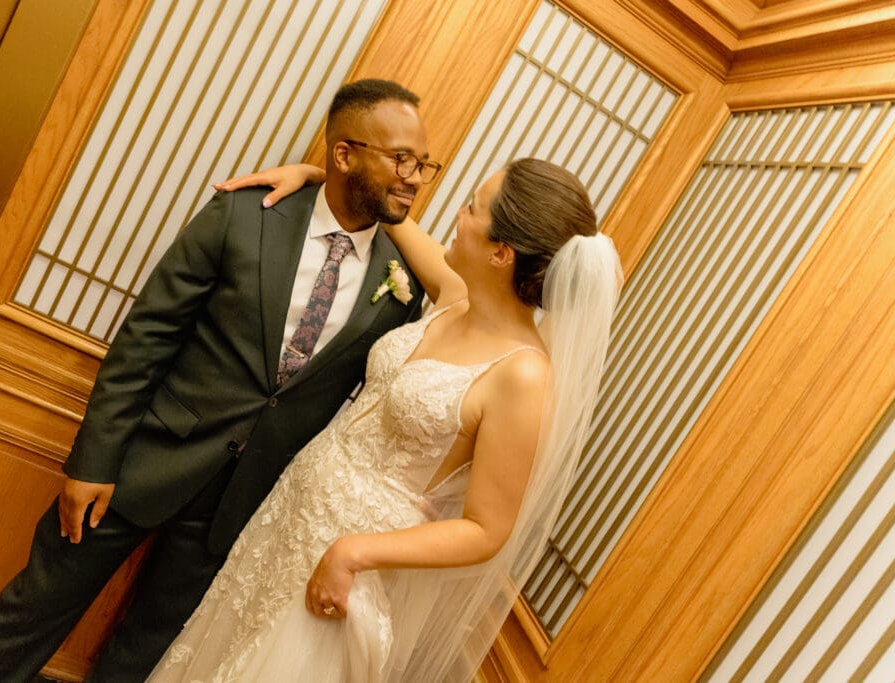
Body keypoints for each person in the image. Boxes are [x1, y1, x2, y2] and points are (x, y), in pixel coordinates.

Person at [0, 79, 431, 682]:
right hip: (143, 461)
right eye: (401, 159)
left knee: (148, 651)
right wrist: (93, 461)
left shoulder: (403, 280)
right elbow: (146, 337)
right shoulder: (245, 215)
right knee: (34, 609)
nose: (414, 175)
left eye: (423, 163)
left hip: (245, 501)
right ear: (344, 154)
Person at [147, 157, 622, 681]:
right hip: (292, 518)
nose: (457, 215)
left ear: (501, 253)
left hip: (355, 562)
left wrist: (355, 554)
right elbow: (393, 218)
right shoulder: (459, 297)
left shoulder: (524, 375)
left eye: (472, 208)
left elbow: (486, 529)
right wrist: (317, 175)